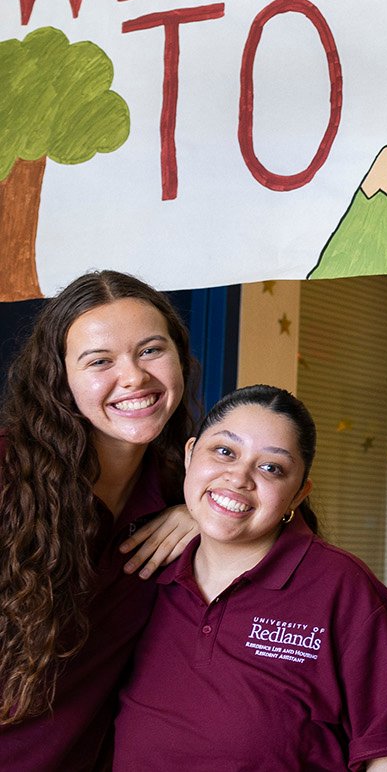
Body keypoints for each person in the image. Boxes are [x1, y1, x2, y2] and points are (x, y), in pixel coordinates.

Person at [113, 385, 387, 770]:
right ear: (191, 454)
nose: (239, 477)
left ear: (298, 494)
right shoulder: (145, 565)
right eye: (224, 451)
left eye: (271, 468)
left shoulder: (345, 590)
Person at [0, 270, 202, 770]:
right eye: (99, 361)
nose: (133, 377)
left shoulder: (186, 491)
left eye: (151, 350)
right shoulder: (7, 472)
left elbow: (292, 551)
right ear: (60, 378)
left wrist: (206, 513)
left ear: (180, 359)